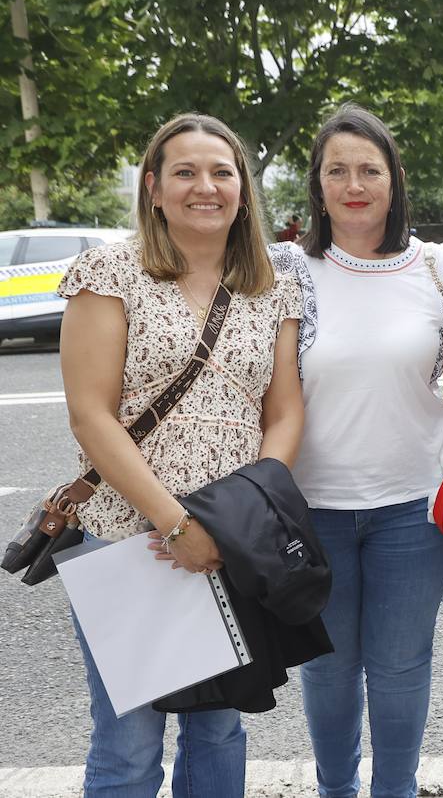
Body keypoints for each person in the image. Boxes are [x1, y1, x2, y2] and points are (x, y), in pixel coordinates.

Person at [58, 112, 304, 797]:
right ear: (154, 187)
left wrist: (245, 514)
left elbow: (283, 413)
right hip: (128, 536)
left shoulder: (271, 286)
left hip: (231, 537)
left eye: (222, 172)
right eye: (186, 172)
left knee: (220, 730)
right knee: (130, 740)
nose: (206, 186)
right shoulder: (109, 271)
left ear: (243, 190)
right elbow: (91, 416)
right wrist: (176, 524)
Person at [269, 104, 443, 798]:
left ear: (393, 180)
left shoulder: (440, 268)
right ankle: (336, 791)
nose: (354, 184)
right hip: (310, 509)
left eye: (369, 169)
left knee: (401, 667)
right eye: (337, 170)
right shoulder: (285, 269)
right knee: (327, 667)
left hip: (414, 508)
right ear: (318, 186)